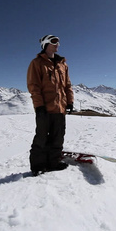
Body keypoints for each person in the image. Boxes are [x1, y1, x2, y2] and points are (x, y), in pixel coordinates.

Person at [27, 35, 74, 176]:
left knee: (58, 136)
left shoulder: (62, 64)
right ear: (45, 44)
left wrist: (70, 101)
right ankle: (38, 166)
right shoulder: (37, 63)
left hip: (60, 108)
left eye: (58, 41)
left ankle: (53, 163)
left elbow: (67, 85)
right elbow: (33, 86)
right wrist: (39, 105)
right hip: (45, 108)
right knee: (41, 137)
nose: (57, 44)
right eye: (54, 42)